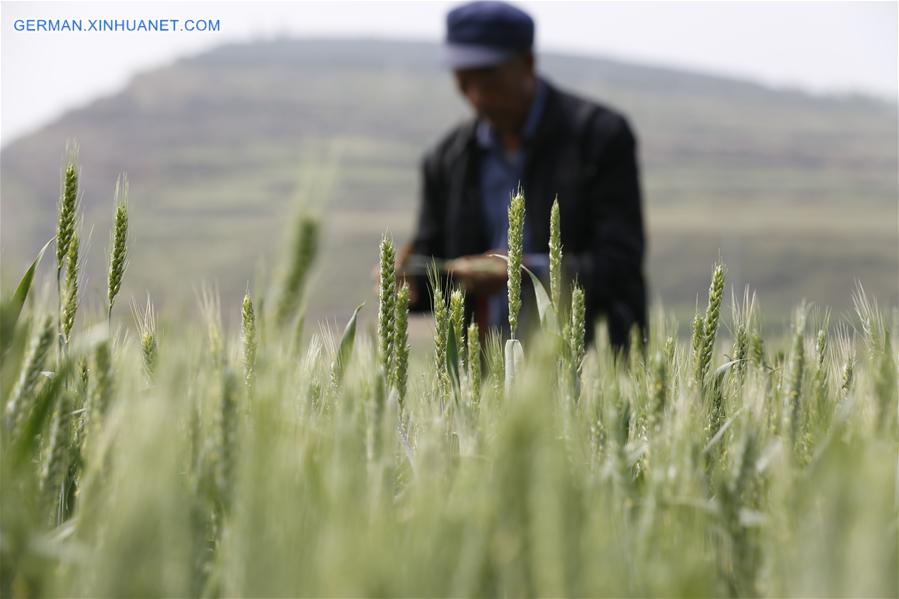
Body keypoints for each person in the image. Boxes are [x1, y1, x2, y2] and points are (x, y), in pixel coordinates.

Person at [397, 0, 648, 351]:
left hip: (587, 370)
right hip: (482, 379)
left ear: (527, 64)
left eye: (488, 78)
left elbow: (619, 263)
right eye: (463, 79)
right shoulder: (445, 159)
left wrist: (524, 272)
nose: (476, 95)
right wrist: (407, 282)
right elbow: (437, 277)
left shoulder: (599, 137)